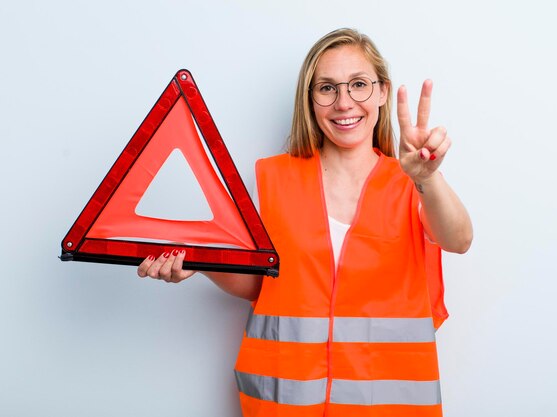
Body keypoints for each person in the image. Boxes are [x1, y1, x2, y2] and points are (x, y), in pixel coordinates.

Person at [138, 28, 472, 417]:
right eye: (327, 88)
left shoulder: (412, 182)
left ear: (382, 92)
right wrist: (199, 262)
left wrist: (426, 177)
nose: (344, 103)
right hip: (284, 407)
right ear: (310, 99)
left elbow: (459, 239)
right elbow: (262, 285)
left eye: (359, 85)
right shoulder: (274, 180)